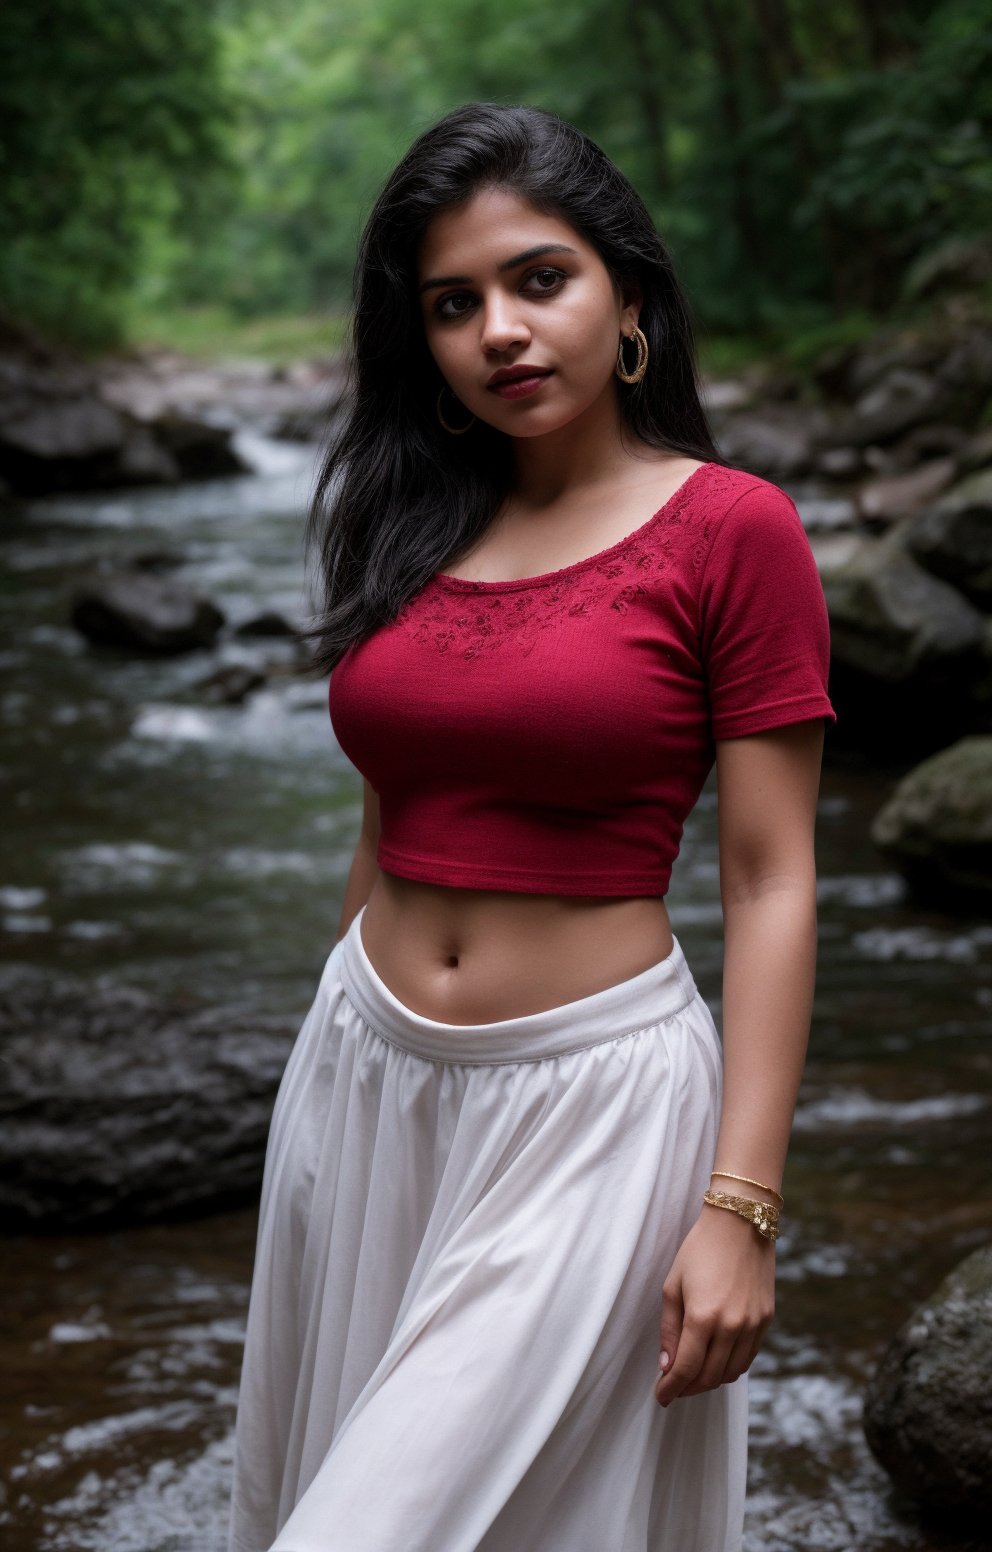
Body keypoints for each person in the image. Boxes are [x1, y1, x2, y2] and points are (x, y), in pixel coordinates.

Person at [226, 101, 836, 1552]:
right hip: (365, 1082)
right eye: (454, 304)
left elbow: (771, 880)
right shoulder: (404, 524)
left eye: (538, 278)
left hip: (593, 1111)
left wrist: (741, 1207)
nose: (501, 329)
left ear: (626, 294)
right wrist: (328, 1074)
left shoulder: (732, 530)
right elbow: (388, 818)